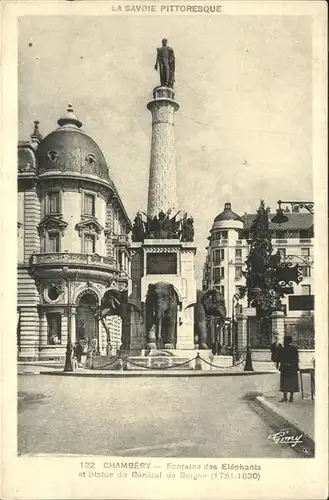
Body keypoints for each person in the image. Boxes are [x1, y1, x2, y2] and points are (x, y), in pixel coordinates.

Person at [277, 335, 299, 402]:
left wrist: (284, 363)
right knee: (292, 382)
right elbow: (296, 359)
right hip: (292, 368)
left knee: (284, 382)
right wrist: (291, 364)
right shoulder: (294, 349)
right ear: (290, 341)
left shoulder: (282, 349)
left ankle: (285, 397)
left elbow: (279, 359)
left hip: (284, 368)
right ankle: (291, 397)